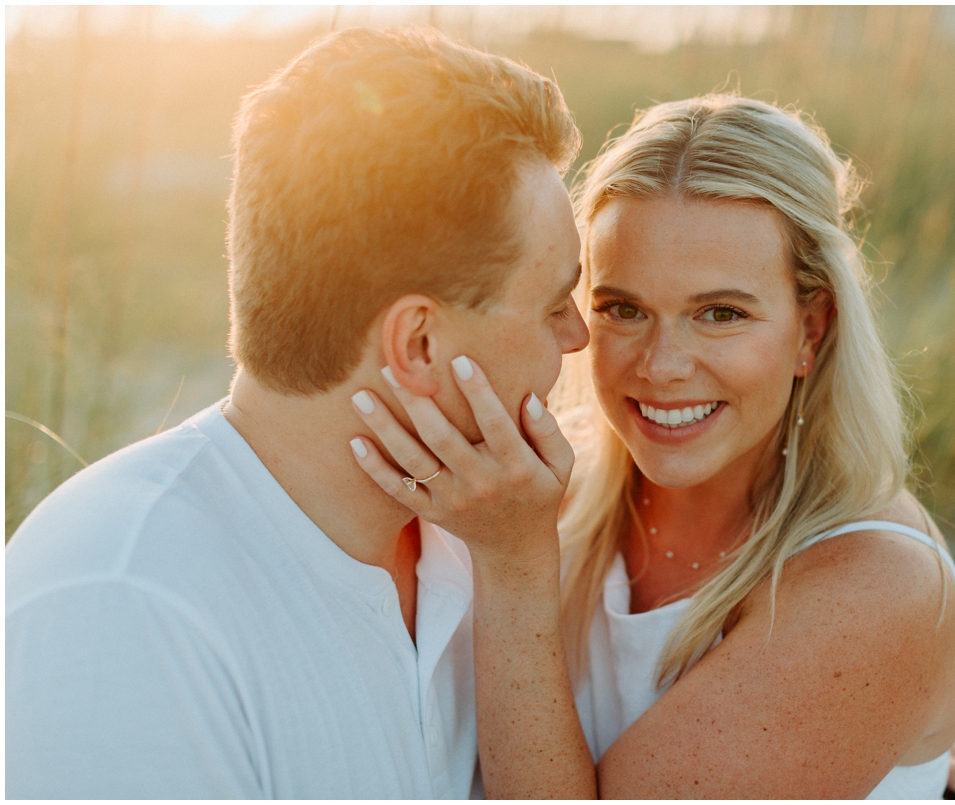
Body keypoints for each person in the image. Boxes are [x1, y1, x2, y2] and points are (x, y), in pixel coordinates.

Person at [6, 25, 955, 799]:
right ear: (422, 344)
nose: (631, 357)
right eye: (601, 305)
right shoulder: (511, 514)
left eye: (722, 312)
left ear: (811, 330)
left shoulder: (503, 540)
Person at [351, 94, 955, 797]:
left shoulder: (876, 586)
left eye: (720, 313)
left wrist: (514, 570)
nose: (662, 365)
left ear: (811, 331)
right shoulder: (532, 491)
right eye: (623, 308)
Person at [5, 26, 587, 798]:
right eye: (553, 305)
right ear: (417, 344)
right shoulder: (123, 607)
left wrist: (516, 566)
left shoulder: (483, 532)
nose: (579, 336)